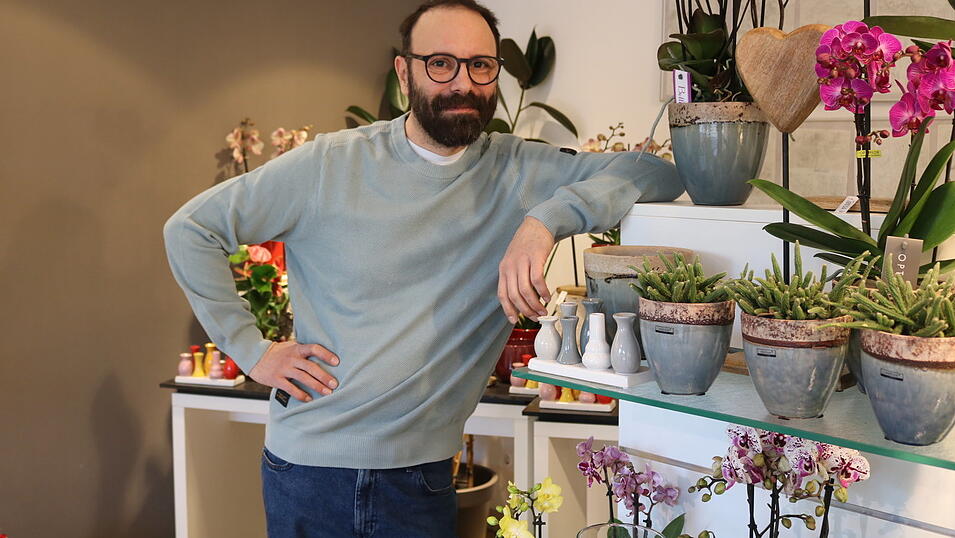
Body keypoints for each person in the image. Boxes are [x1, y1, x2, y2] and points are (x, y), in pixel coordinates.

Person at [163, 0, 682, 536]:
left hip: (422, 481)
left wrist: (545, 220)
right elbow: (189, 230)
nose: (463, 82)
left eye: (481, 65)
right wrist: (254, 351)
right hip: (310, 475)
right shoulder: (328, 165)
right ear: (404, 71)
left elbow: (659, 175)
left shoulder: (521, 169)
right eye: (441, 63)